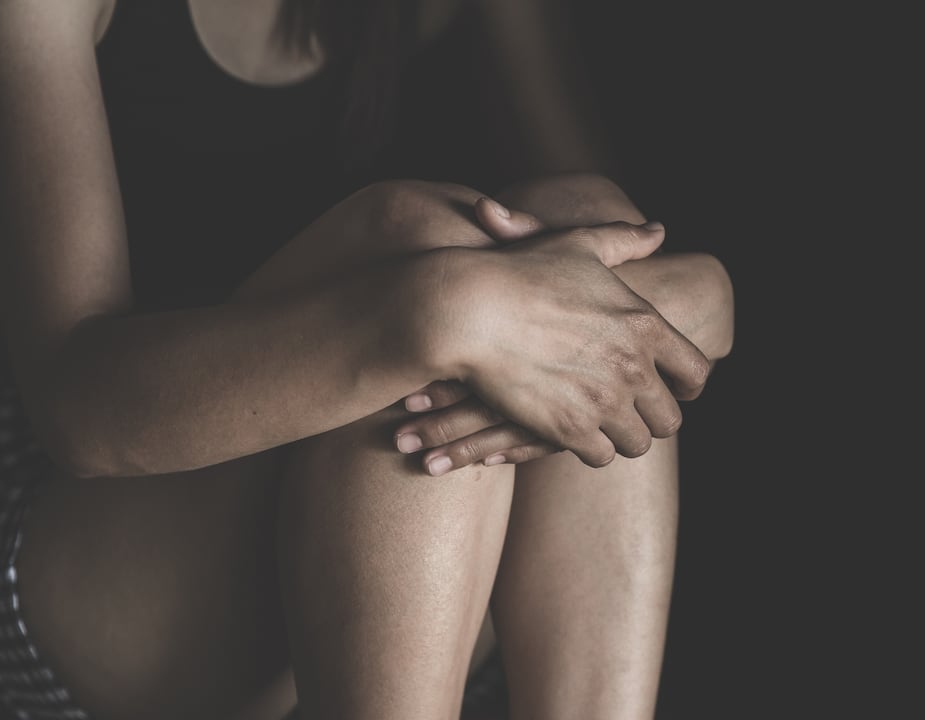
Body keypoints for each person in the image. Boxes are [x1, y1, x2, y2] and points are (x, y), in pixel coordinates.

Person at [0, 0, 735, 718]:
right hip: (91, 555)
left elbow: (612, 271)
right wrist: (429, 312)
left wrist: (700, 292)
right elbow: (77, 414)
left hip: (387, 589)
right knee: (430, 263)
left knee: (567, 243)